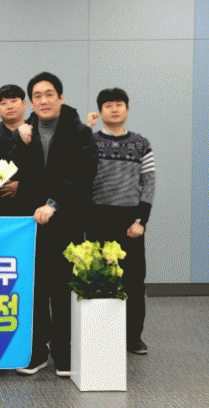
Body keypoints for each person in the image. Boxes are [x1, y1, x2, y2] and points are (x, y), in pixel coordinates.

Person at [13, 72, 98, 378]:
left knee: (63, 289)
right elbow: (16, 174)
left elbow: (82, 174)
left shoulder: (80, 132)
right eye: (37, 96)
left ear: (61, 97)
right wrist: (21, 143)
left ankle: (64, 352)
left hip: (66, 222)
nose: (44, 100)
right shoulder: (26, 131)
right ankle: (37, 352)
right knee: (35, 289)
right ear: (31, 102)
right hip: (32, 224)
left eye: (49, 94)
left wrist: (53, 203)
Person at [86, 88, 154, 355]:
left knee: (133, 280)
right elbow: (77, 173)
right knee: (98, 277)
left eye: (119, 104)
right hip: (97, 217)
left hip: (129, 222)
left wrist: (142, 221)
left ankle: (133, 337)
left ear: (127, 109)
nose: (114, 109)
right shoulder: (90, 141)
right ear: (100, 111)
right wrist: (86, 130)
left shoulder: (141, 143)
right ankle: (100, 335)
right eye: (108, 105)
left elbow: (148, 184)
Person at [0, 84, 29, 216]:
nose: (10, 106)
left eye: (14, 101)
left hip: (29, 204)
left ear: (24, 104)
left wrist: (23, 186)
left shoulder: (35, 130)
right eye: (3, 103)